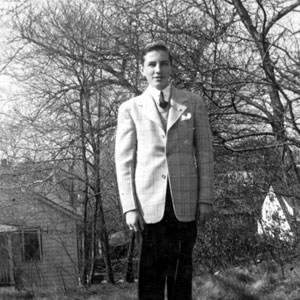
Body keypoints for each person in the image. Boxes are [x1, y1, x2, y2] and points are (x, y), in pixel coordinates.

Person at [115, 41, 214, 300]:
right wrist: (130, 207)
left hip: (185, 203)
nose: (158, 69)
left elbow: (205, 154)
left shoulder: (192, 103)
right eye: (152, 64)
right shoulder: (130, 108)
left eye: (164, 63)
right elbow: (124, 162)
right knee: (150, 279)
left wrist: (205, 199)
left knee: (182, 274)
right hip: (148, 206)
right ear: (143, 70)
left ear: (171, 67)